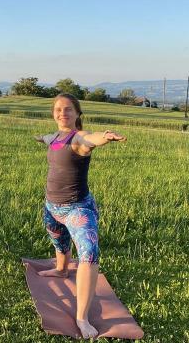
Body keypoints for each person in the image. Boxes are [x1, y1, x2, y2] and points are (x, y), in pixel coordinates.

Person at [35, 93, 126, 339]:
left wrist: (104, 137)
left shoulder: (79, 138)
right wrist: (39, 137)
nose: (62, 113)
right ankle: (62, 269)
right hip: (52, 206)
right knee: (59, 242)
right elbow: (47, 139)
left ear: (77, 114)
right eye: (57, 110)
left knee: (88, 253)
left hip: (78, 209)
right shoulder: (55, 137)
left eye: (67, 110)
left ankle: (82, 317)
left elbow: (90, 138)